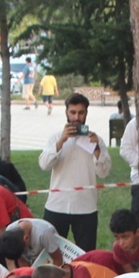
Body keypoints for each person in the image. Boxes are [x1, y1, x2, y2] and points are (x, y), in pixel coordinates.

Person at [38, 93, 112, 247]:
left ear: (86, 113)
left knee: (86, 255)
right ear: (66, 112)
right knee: (51, 253)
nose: (76, 117)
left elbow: (104, 173)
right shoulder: (55, 138)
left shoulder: (95, 140)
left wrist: (97, 150)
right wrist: (61, 142)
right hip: (56, 205)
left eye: (81, 112)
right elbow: (44, 165)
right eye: (72, 112)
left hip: (85, 206)